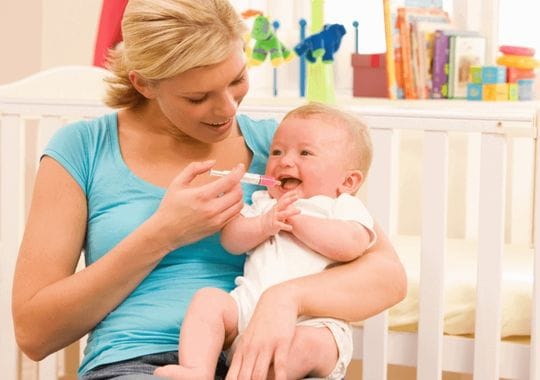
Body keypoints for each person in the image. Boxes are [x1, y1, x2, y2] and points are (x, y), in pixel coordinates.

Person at [11, 0, 407, 379]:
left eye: (237, 79)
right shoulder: (82, 149)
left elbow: (387, 275)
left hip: (263, 355)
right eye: (198, 97)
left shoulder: (282, 152)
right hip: (141, 361)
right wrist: (163, 234)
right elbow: (35, 334)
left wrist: (287, 298)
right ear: (144, 84)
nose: (227, 110)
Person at [155, 103, 377, 380]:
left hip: (315, 322)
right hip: (248, 310)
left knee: (306, 345)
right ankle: (197, 370)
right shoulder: (264, 201)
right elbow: (232, 241)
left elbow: (351, 245)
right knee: (208, 301)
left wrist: (296, 221)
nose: (284, 161)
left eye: (305, 153)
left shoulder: (339, 206)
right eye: (277, 152)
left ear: (348, 181)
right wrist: (264, 224)